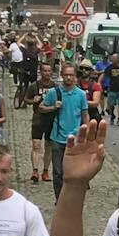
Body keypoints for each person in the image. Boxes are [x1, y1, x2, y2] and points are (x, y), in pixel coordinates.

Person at [38, 67, 88, 199]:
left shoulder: (81, 94)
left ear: (75, 76)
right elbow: (41, 107)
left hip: (75, 138)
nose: (69, 78)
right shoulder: (54, 93)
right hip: (57, 137)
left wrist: (86, 131)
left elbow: (84, 114)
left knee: (74, 172)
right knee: (58, 172)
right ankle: (59, 199)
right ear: (62, 75)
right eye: (66, 75)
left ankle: (72, 197)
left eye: (71, 75)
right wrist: (53, 107)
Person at [23, 65, 54, 185]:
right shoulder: (34, 86)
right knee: (36, 145)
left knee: (49, 146)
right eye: (44, 71)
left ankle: (45, 171)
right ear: (40, 72)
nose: (47, 73)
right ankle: (35, 171)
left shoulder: (55, 87)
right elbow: (26, 99)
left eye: (49, 71)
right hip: (38, 119)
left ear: (52, 72)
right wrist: (33, 101)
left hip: (51, 119)